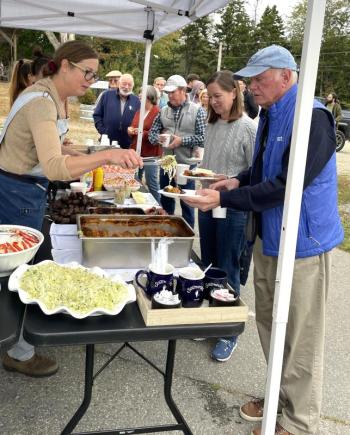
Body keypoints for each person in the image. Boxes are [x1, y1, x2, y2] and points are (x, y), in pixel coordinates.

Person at [183, 45, 344, 435]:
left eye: (259, 78)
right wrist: (236, 180)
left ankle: (300, 422)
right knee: (272, 326)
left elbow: (287, 186)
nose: (251, 86)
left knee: (300, 340)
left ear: (286, 76)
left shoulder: (313, 117)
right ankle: (278, 398)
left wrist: (224, 197)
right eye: (250, 79)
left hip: (302, 246)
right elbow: (262, 170)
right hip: (271, 239)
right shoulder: (272, 113)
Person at [0, 40, 142, 378]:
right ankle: (18, 351)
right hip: (16, 194)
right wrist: (106, 156)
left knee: (22, 268)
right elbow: (53, 166)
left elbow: (57, 148)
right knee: (19, 271)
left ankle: (18, 343)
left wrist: (86, 151)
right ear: (64, 65)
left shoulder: (53, 97)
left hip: (24, 190)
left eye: (95, 75)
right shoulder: (41, 102)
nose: (91, 80)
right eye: (87, 72)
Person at [198, 71, 256, 362]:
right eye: (210, 97)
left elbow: (254, 174)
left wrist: (231, 179)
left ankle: (229, 330)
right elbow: (207, 162)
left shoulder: (248, 127)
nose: (213, 102)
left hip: (233, 206)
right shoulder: (211, 123)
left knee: (228, 266)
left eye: (218, 96)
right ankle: (212, 316)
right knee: (208, 263)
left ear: (235, 93)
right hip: (208, 202)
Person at [149, 74, 207, 228]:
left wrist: (182, 141)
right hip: (167, 163)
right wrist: (160, 138)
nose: (169, 95)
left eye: (172, 92)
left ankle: (187, 237)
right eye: (167, 92)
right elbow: (151, 135)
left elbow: (203, 138)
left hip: (187, 165)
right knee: (166, 201)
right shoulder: (163, 110)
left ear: (183, 91)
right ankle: (166, 234)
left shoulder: (197, 111)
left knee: (187, 203)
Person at [129, 85, 161, 202]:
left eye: (141, 93)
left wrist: (142, 132)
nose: (139, 95)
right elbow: (134, 126)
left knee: (151, 182)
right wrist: (130, 130)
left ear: (149, 97)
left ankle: (158, 207)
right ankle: (141, 202)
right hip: (136, 150)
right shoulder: (139, 111)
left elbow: (157, 135)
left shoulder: (157, 112)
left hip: (150, 153)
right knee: (135, 179)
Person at [93, 73, 140, 148]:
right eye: (124, 84)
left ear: (132, 86)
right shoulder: (107, 95)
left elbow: (138, 120)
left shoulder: (136, 100)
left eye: (129, 85)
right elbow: (97, 115)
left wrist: (133, 129)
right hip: (107, 141)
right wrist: (103, 131)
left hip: (127, 143)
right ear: (118, 84)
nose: (126, 87)